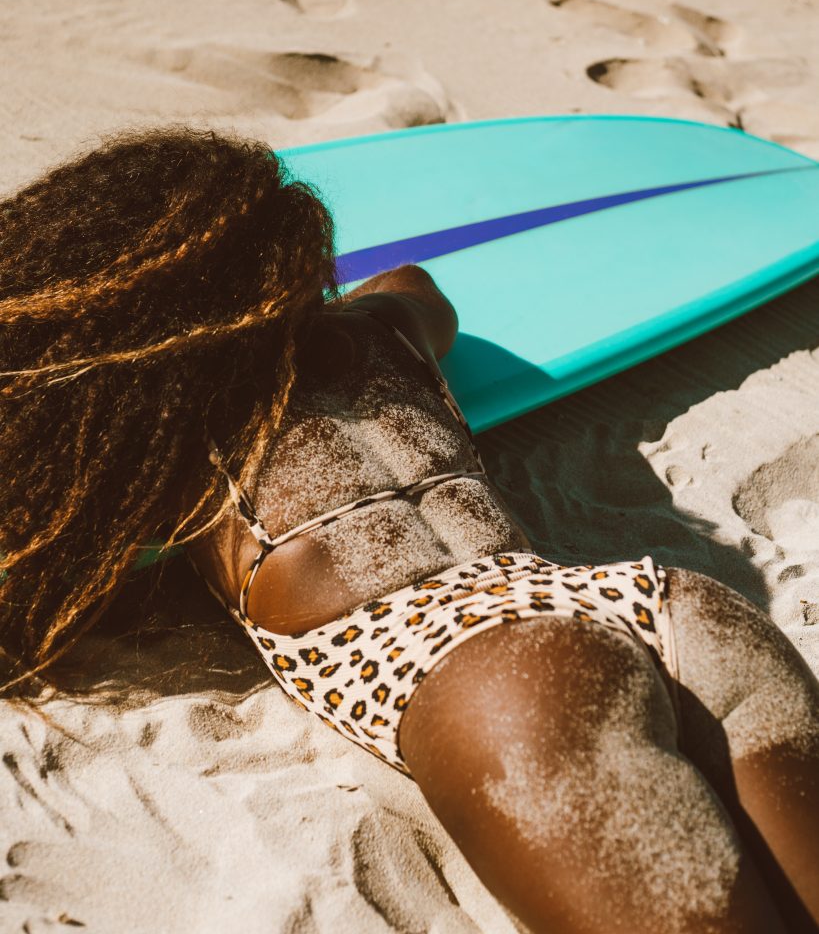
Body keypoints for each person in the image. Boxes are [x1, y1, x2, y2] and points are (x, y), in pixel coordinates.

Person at [1, 130, 817, 934]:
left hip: (494, 673)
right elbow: (416, 280)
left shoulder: (148, 439)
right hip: (670, 607)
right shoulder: (388, 328)